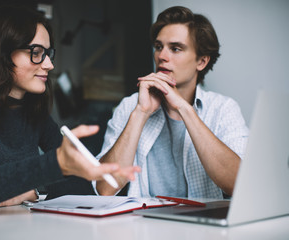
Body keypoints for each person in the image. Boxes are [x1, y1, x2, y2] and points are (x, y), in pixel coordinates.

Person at [0, 5, 138, 216]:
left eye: (48, 54)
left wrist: (31, 191)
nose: (49, 64)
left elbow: (80, 193)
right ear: (1, 53)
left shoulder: (35, 113)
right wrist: (51, 167)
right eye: (36, 53)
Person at [95, 6, 249, 199]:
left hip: (204, 226)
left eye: (175, 48)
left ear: (201, 61)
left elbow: (239, 184)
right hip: (145, 225)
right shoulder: (130, 106)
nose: (162, 56)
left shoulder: (224, 109)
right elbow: (105, 188)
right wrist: (141, 113)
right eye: (159, 47)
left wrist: (184, 108)